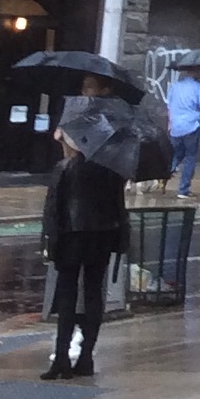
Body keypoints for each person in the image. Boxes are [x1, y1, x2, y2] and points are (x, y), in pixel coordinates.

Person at [39, 118, 129, 380]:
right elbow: (118, 208)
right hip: (101, 237)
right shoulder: (111, 170)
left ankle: (62, 359)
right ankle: (86, 357)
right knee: (93, 295)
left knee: (66, 296)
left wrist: (48, 243)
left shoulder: (64, 168)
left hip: (70, 238)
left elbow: (53, 211)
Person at [166, 70, 200, 197]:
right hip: (191, 126)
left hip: (175, 127)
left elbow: (169, 106)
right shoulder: (199, 87)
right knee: (190, 157)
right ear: (196, 73)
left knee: (176, 155)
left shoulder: (175, 86)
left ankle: (161, 175)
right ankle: (183, 190)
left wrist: (170, 124)